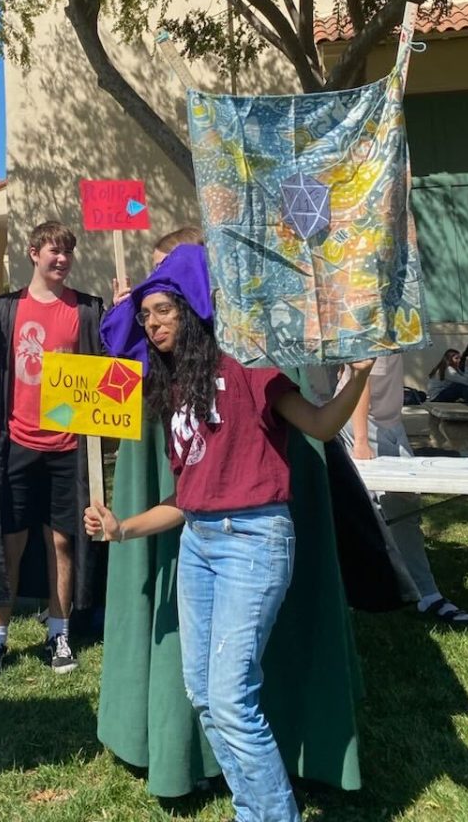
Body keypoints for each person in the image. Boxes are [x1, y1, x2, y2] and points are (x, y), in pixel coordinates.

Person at [85, 245, 374, 822]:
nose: (152, 323)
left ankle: (273, 815)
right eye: (146, 316)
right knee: (202, 693)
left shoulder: (249, 367)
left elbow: (318, 424)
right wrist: (121, 530)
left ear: (192, 310)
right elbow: (186, 502)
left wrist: (357, 378)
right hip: (199, 544)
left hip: (254, 540)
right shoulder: (176, 393)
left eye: (164, 310)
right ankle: (254, 809)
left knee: (231, 699)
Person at [0, 219, 104, 683]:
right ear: (34, 253)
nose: (62, 260)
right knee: (7, 543)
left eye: (68, 253)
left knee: (63, 541)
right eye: (53, 252)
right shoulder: (8, 307)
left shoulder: (89, 309)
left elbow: (117, 360)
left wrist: (129, 307)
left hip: (68, 447)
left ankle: (59, 632)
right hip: (16, 444)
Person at [341, 352, 468, 627]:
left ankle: (422, 591)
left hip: (389, 424)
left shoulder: (397, 323)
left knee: (403, 511)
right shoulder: (367, 322)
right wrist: (361, 442)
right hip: (364, 427)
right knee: (367, 515)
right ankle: (406, 592)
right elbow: (359, 377)